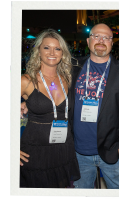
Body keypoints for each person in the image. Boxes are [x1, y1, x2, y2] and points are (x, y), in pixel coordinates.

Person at [66, 23, 119, 189]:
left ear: (112, 43)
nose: (101, 40)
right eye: (96, 36)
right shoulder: (72, 66)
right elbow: (52, 88)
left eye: (106, 37)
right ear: (88, 40)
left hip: (112, 150)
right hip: (78, 152)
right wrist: (26, 101)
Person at [20, 29, 80, 188]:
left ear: (63, 53)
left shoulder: (68, 79)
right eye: (47, 47)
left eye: (57, 48)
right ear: (38, 51)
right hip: (34, 151)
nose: (52, 52)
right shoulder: (25, 81)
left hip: (63, 148)